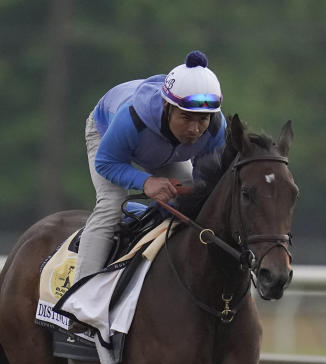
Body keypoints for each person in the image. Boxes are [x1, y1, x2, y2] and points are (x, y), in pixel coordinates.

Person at [72, 50, 227, 284]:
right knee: (111, 206)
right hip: (107, 133)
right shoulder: (130, 119)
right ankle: (80, 296)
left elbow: (205, 185)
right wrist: (146, 182)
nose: (195, 130)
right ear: (167, 106)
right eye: (186, 118)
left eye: (203, 119)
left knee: (187, 201)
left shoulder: (216, 128)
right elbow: (106, 163)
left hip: (160, 148)